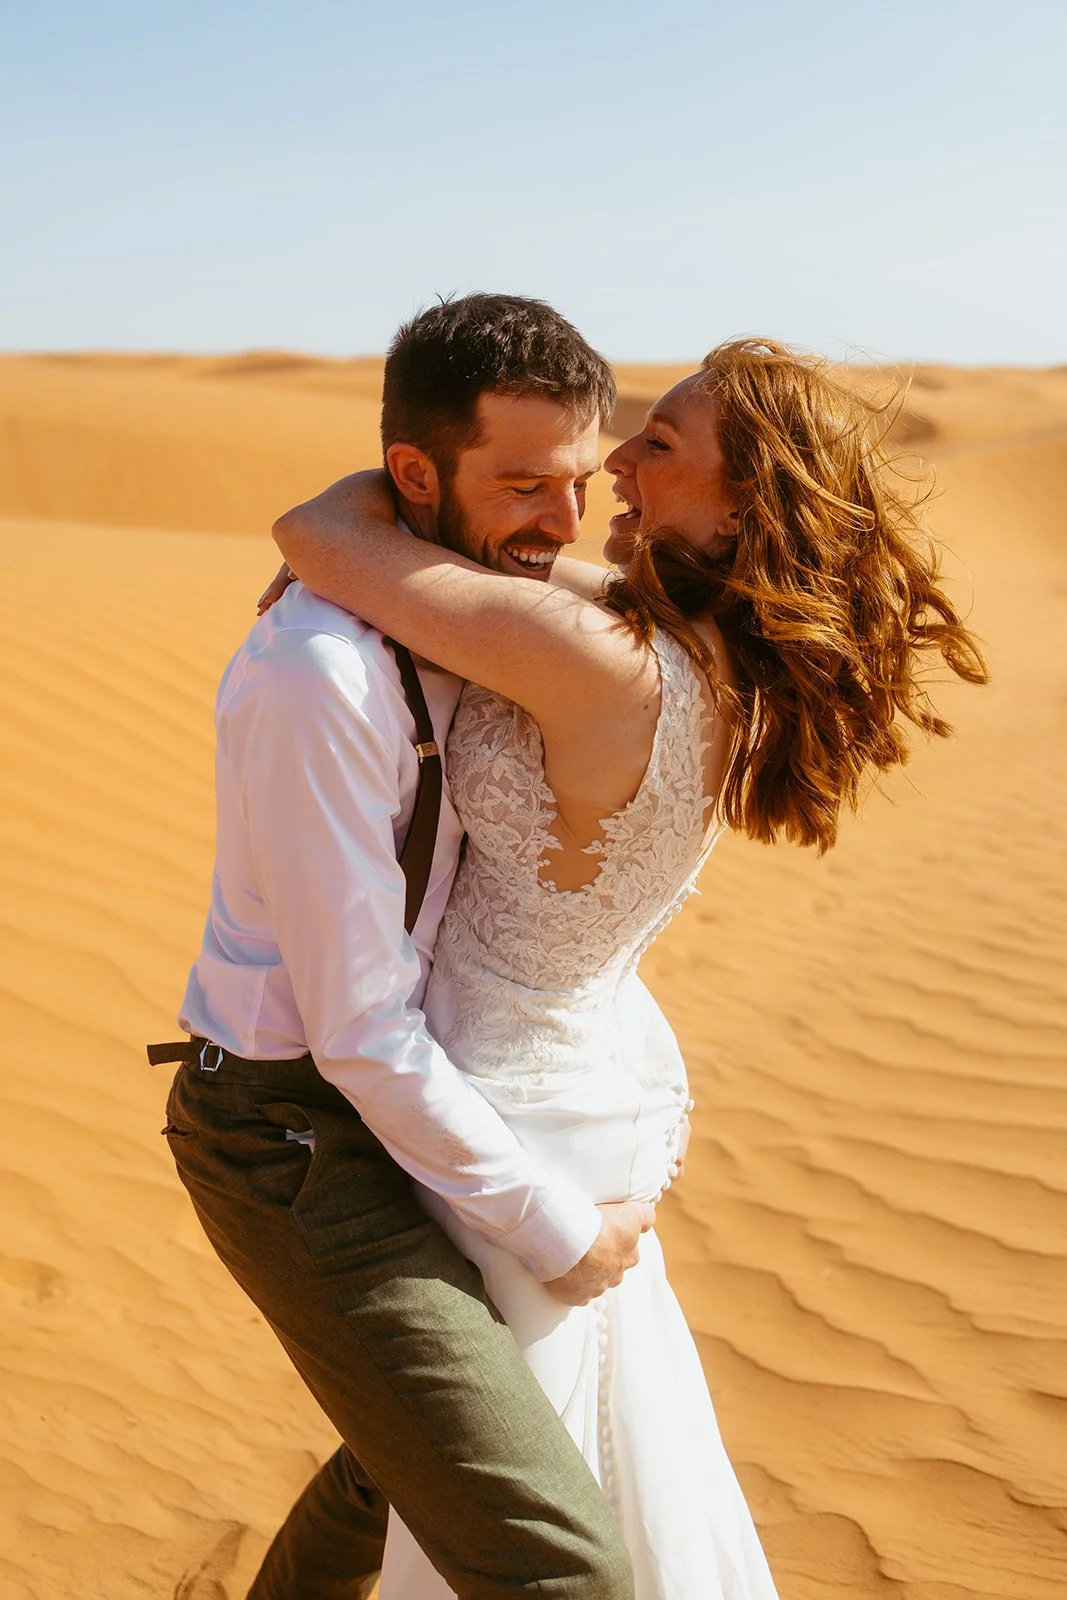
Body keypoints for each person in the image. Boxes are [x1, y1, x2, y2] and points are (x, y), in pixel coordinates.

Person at [269, 329, 988, 1600]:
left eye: (656, 447)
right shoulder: (703, 658)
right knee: (482, 1454)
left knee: (491, 1511)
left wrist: (382, 514)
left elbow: (318, 538)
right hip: (572, 1083)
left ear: (736, 506)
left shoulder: (593, 660)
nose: (613, 462)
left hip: (490, 1109)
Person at [159, 294, 655, 1600]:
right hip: (289, 1138)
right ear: (415, 478)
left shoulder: (468, 604)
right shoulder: (317, 678)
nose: (559, 524)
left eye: (579, 483)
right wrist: (559, 1232)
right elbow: (359, 1034)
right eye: (521, 485)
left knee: (399, 1465)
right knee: (562, 1570)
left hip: (388, 1103)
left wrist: (343, 530)